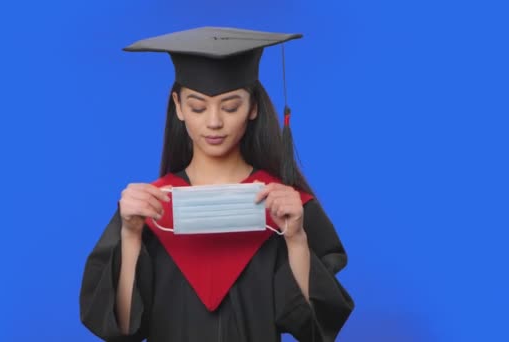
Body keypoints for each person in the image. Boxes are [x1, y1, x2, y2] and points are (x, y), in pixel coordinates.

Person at [79, 27, 354, 342]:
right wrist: (130, 236)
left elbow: (314, 330)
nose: (213, 122)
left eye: (230, 106)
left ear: (252, 107)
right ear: (179, 107)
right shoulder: (149, 210)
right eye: (198, 107)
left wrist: (295, 241)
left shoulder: (285, 207)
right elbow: (123, 331)